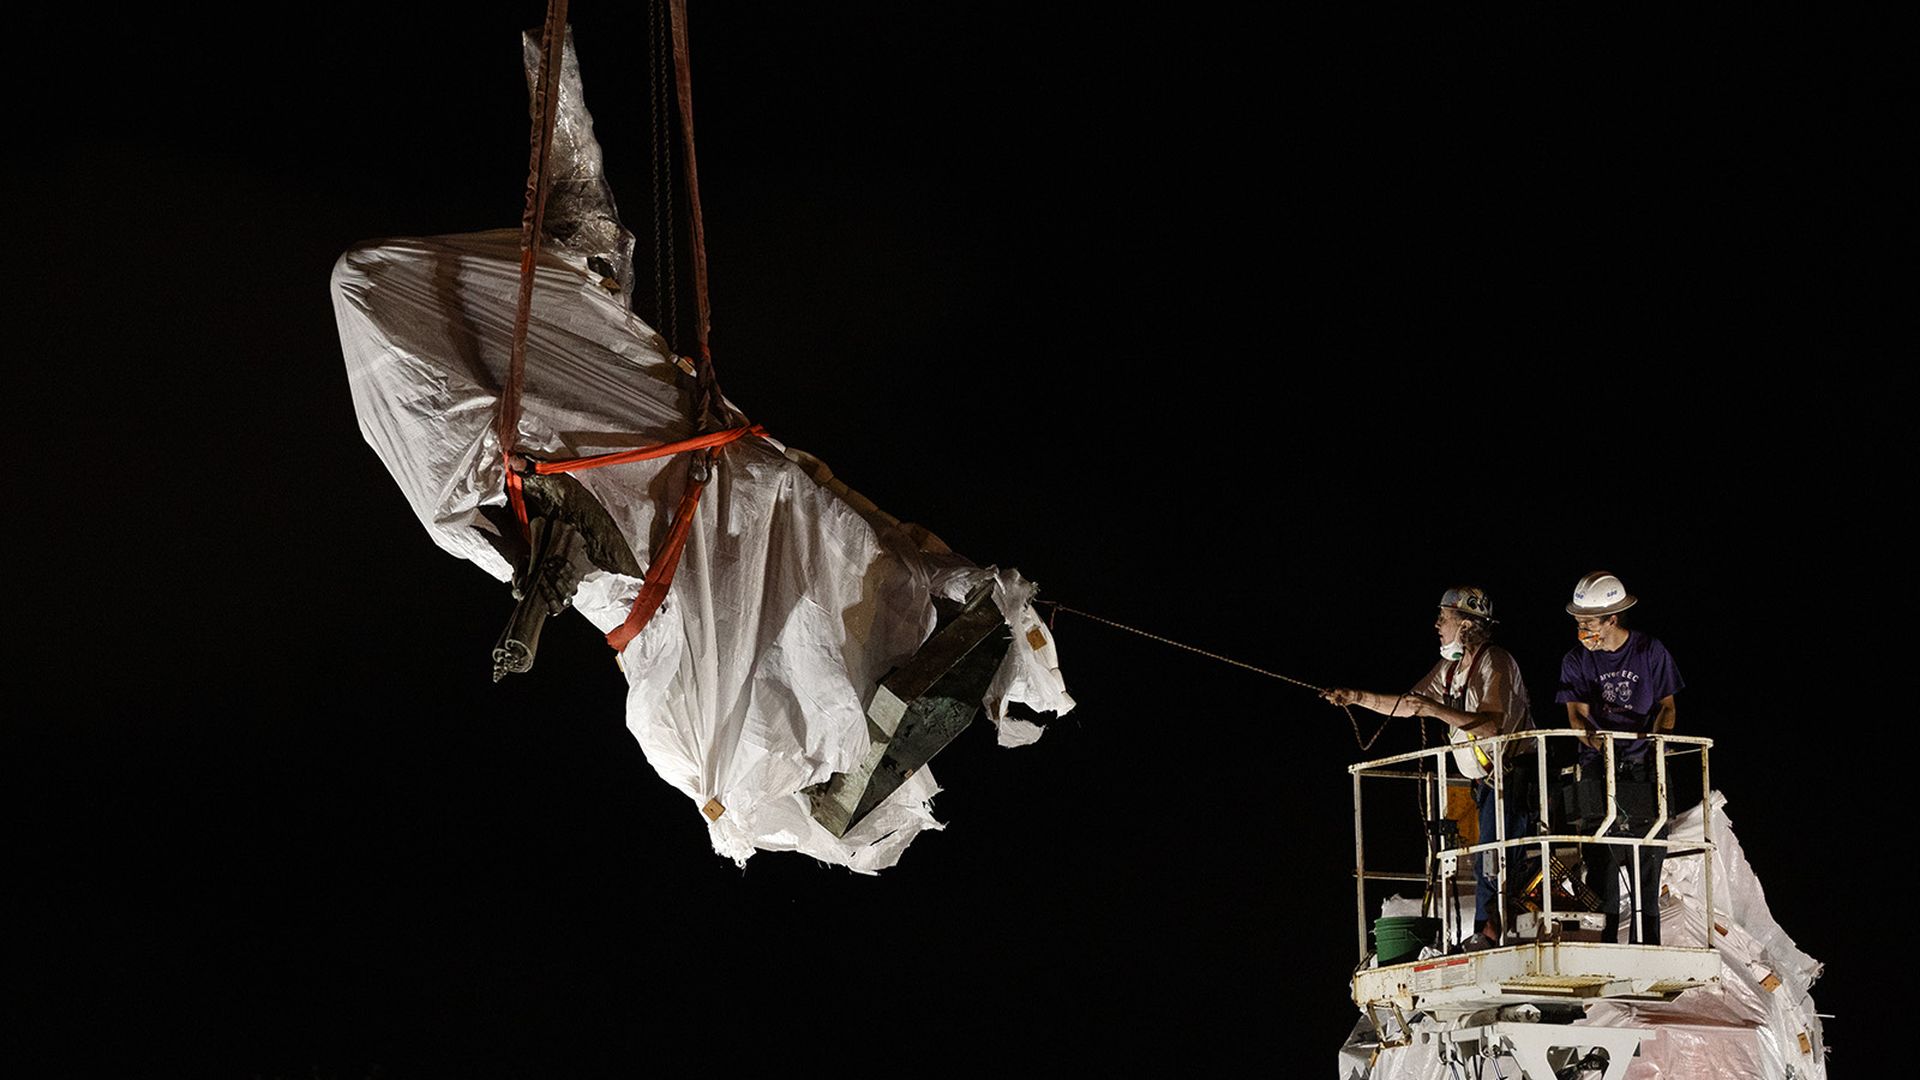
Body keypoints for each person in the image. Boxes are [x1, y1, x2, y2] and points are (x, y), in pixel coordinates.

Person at [1324, 586, 1534, 951]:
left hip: (1513, 774)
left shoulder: (1495, 661)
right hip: (1485, 780)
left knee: (1495, 855)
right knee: (1488, 853)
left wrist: (1435, 710)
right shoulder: (1450, 669)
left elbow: (1490, 725)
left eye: (1445, 617)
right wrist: (1354, 698)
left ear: (1466, 625)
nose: (1437, 623)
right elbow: (1410, 704)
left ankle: (1492, 932)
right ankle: (1487, 930)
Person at [1555, 571, 1684, 945]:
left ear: (1612, 619)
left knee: (1648, 861)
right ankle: (1606, 945)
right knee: (1601, 863)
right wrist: (1598, 742)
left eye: (1588, 623)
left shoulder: (1649, 651)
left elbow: (1667, 707)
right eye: (1578, 624)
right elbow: (1577, 716)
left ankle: (1649, 944)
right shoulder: (1576, 660)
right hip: (1598, 766)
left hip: (1646, 768)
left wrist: (1653, 740)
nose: (1582, 631)